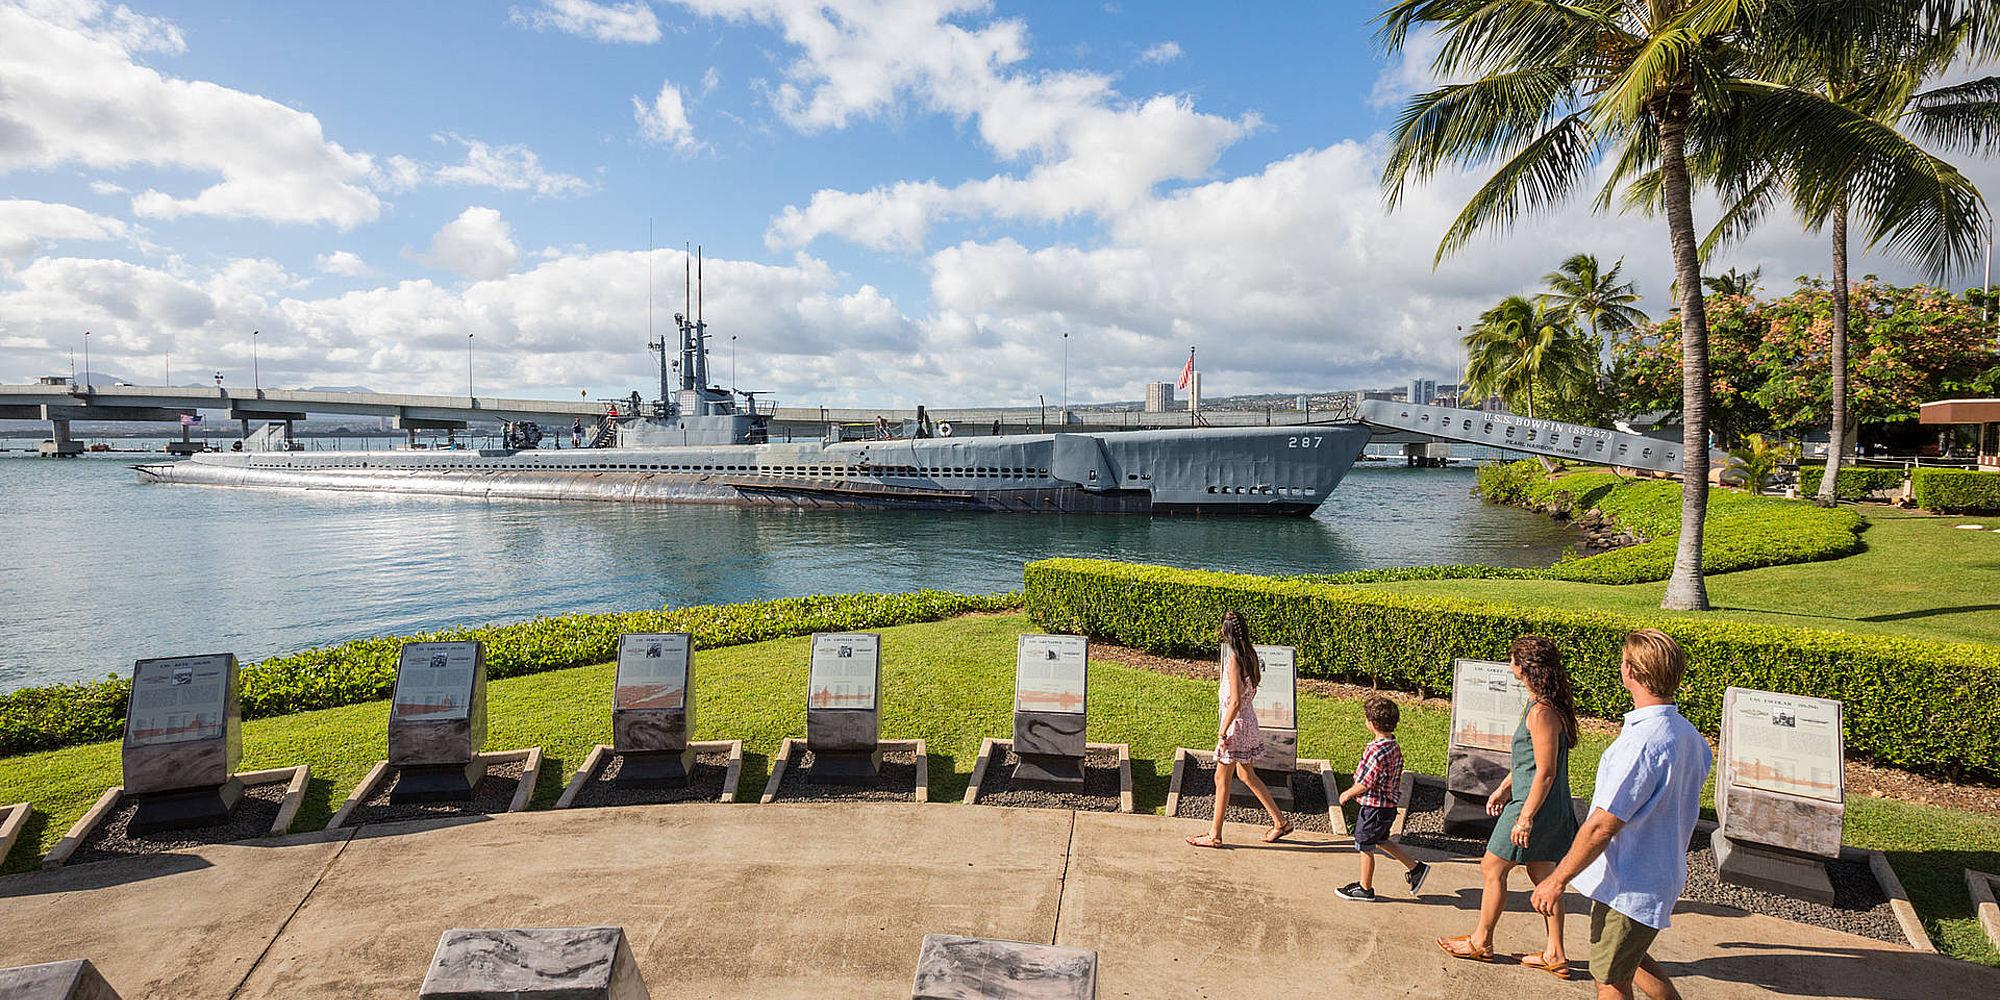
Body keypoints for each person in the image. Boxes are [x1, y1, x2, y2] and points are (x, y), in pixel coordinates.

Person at [1531, 630, 1711, 1000]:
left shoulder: (1642, 744)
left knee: (1611, 978)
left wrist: (1556, 879)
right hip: (1656, 875)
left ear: (1630, 671)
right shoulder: (1689, 736)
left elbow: (1601, 825)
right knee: (1634, 958)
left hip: (1631, 883)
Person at [1438, 635, 1581, 978]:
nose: (1510, 666)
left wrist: (1525, 818)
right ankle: (1555, 953)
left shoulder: (1543, 712)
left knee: (1492, 867)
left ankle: (1481, 942)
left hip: (1536, 806)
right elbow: (1529, 763)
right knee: (1543, 875)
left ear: (1525, 667)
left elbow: (1544, 773)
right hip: (1539, 802)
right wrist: (1503, 787)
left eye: (1513, 660)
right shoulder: (1542, 705)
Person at [1185, 610, 1292, 848]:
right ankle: (1280, 822)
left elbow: (1234, 701)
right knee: (1246, 775)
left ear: (1226, 632)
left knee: (1221, 778)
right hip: (1248, 722)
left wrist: (1222, 732)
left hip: (1236, 726)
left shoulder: (1234, 659)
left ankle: (1214, 834)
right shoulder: (1250, 655)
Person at [1335, 696, 1431, 901]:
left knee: (1364, 845)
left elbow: (1367, 782)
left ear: (1372, 723)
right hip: (1387, 806)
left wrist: (1347, 793)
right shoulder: (1392, 745)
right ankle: (1416, 869)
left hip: (1374, 808)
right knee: (1381, 839)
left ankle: (1365, 888)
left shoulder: (1376, 750)